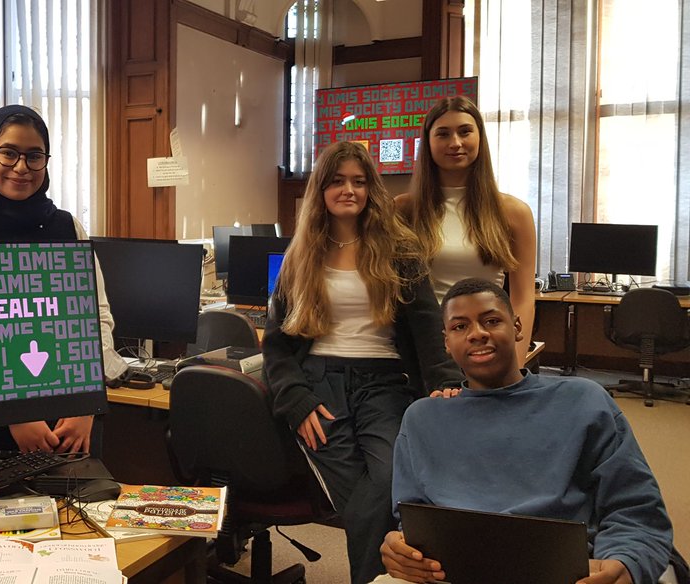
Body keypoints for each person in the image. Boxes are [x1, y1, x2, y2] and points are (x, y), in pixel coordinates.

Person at [377, 278, 675, 584]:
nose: (477, 334)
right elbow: (411, 522)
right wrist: (400, 551)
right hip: (450, 572)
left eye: (491, 321)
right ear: (446, 342)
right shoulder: (422, 420)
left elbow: (635, 508)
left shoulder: (584, 402)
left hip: (561, 573)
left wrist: (623, 564)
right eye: (460, 327)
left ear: (517, 326)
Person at [263, 141, 464, 583]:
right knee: (358, 491)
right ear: (321, 190)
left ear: (371, 188)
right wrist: (294, 398)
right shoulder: (300, 255)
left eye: (358, 181)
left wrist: (445, 379)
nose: (348, 190)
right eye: (337, 181)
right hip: (318, 384)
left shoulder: (399, 247)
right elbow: (276, 344)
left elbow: (428, 324)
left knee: (391, 477)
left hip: (384, 382)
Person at [0, 104, 126, 456]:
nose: (21, 167)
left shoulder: (65, 227)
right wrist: (12, 413)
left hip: (71, 422)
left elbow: (96, 316)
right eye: (9, 153)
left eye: (34, 156)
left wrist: (87, 403)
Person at [396, 96, 537, 365]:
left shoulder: (513, 212)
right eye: (443, 133)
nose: (455, 143)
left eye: (465, 131)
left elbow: (523, 297)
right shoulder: (403, 210)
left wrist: (515, 365)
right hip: (422, 349)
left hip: (486, 345)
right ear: (428, 142)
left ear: (479, 138)